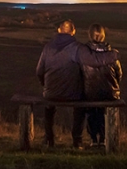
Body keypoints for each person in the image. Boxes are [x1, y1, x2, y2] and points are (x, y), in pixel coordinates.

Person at [36, 19, 119, 148]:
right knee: (80, 108)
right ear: (73, 32)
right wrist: (113, 55)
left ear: (59, 30)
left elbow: (39, 71)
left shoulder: (47, 48)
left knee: (49, 108)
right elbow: (95, 60)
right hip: (72, 94)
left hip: (50, 93)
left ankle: (49, 140)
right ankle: (77, 141)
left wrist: (45, 86)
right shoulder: (76, 48)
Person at [81, 23, 122, 146]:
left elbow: (80, 74)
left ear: (90, 35)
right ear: (103, 36)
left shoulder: (83, 54)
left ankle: (93, 139)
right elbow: (119, 74)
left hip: (90, 93)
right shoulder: (112, 54)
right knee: (105, 113)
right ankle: (104, 138)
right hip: (110, 93)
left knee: (91, 113)